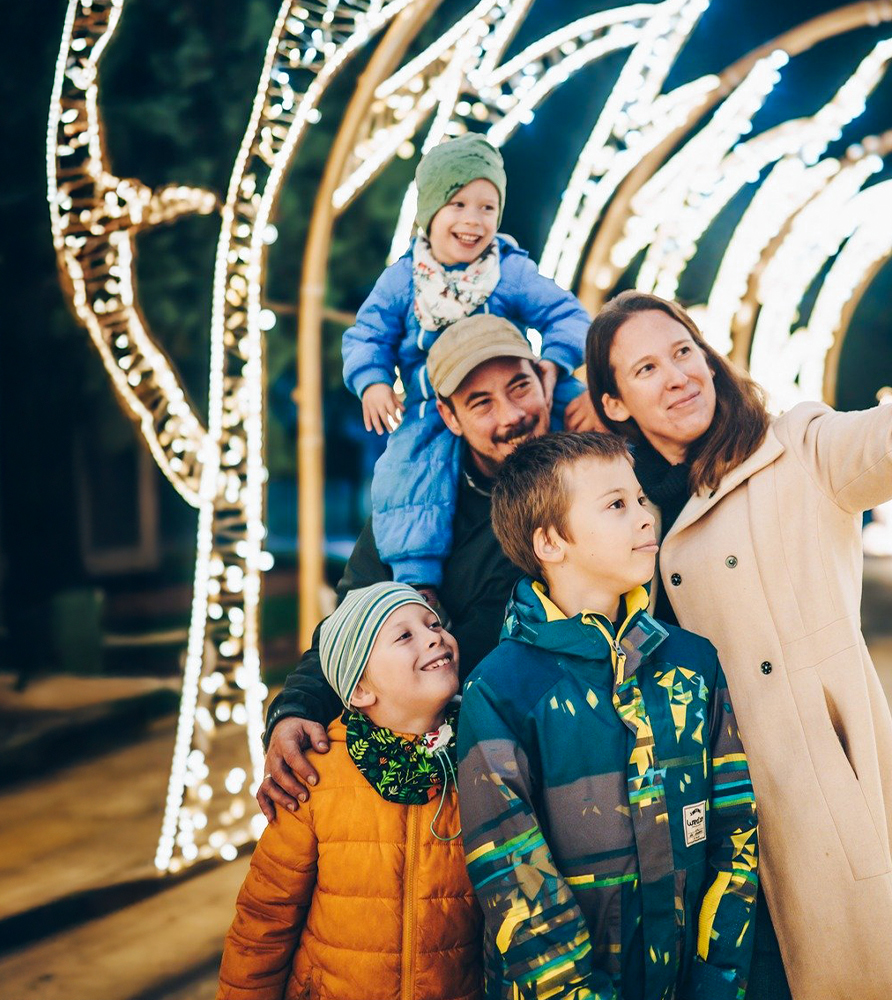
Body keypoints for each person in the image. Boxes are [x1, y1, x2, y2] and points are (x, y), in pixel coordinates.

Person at [584, 214, 892, 1000]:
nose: (678, 375)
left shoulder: (799, 450)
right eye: (645, 369)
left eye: (684, 352)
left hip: (801, 794)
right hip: (679, 819)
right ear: (613, 404)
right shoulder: (615, 508)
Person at [458, 431, 758, 999]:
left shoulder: (694, 663)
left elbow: (735, 830)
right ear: (550, 542)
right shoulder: (500, 689)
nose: (646, 517)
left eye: (641, 499)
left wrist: (716, 981)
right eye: (617, 505)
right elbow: (514, 879)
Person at [258, 313, 558, 819]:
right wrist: (296, 709)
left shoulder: (590, 476)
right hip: (434, 775)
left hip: (556, 762)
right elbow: (352, 622)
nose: (511, 415)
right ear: (449, 415)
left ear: (545, 380)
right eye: (480, 402)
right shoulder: (411, 507)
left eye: (519, 387)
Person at [343, 132, 597, 592]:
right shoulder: (403, 281)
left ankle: (613, 499)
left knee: (582, 409)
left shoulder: (507, 270)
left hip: (515, 376)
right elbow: (367, 335)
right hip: (430, 404)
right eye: (458, 204)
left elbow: (568, 315)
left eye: (487, 207)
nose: (473, 220)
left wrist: (556, 365)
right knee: (409, 471)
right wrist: (372, 381)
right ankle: (418, 580)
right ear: (429, 213)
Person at [218, 582, 480, 1000]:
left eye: (433, 625)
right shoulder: (315, 776)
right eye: (405, 635)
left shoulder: (479, 761)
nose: (435, 636)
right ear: (360, 690)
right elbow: (264, 921)